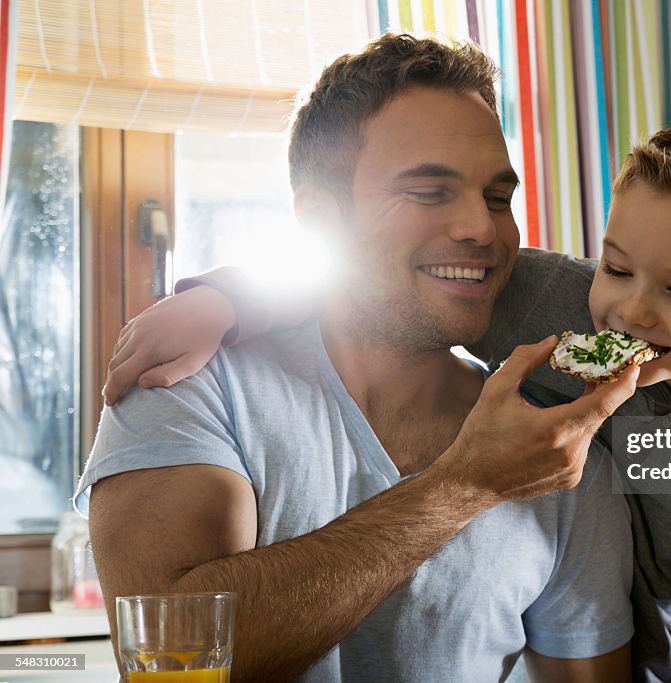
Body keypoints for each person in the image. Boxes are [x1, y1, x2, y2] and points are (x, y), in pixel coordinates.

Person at [104, 113, 671, 681]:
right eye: (618, 267)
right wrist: (225, 298)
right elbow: (373, 276)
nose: (629, 312)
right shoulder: (553, 301)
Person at [77, 34, 642, 683]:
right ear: (321, 220)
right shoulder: (187, 385)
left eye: (497, 196)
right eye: (429, 191)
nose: (483, 229)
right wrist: (464, 484)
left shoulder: (556, 452)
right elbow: (173, 657)